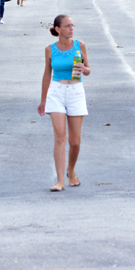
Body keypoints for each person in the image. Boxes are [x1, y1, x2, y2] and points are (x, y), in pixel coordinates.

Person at [37, 15, 90, 192]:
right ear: (58, 29)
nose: (71, 29)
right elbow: (47, 74)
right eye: (68, 26)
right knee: (60, 137)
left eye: (72, 25)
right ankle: (60, 180)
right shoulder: (49, 49)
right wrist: (43, 100)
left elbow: (88, 70)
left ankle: (70, 169)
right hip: (56, 92)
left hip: (76, 92)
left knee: (75, 142)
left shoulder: (79, 45)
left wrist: (84, 68)